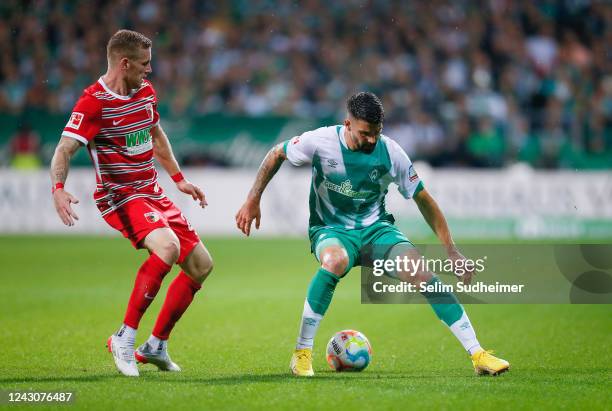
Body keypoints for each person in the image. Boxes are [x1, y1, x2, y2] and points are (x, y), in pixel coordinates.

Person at [235, 92, 509, 377]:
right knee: (334, 261)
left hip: (376, 230)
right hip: (331, 230)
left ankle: (478, 354)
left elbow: (424, 199)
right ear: (348, 124)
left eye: (377, 133)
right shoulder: (320, 141)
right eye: (365, 133)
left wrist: (451, 250)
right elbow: (276, 154)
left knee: (422, 273)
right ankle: (302, 353)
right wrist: (253, 199)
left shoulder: (391, 152)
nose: (372, 140)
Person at [50, 30, 213, 377]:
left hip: (152, 191)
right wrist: (58, 187)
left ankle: (155, 346)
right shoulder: (94, 102)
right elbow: (64, 149)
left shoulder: (145, 93)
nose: (149, 70)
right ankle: (124, 337)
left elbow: (156, 135)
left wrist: (179, 178)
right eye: (144, 63)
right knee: (167, 248)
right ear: (124, 63)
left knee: (201, 266)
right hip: (120, 195)